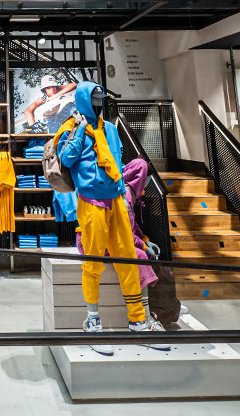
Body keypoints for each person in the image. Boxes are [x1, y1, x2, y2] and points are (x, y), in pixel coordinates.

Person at [56, 81, 166, 353]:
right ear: (83, 101)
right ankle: (92, 321)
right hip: (91, 202)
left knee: (127, 261)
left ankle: (138, 320)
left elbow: (117, 161)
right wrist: (81, 127)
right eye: (93, 100)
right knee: (92, 264)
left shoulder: (111, 129)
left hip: (116, 200)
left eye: (100, 100)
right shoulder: (69, 129)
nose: (98, 104)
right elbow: (67, 159)